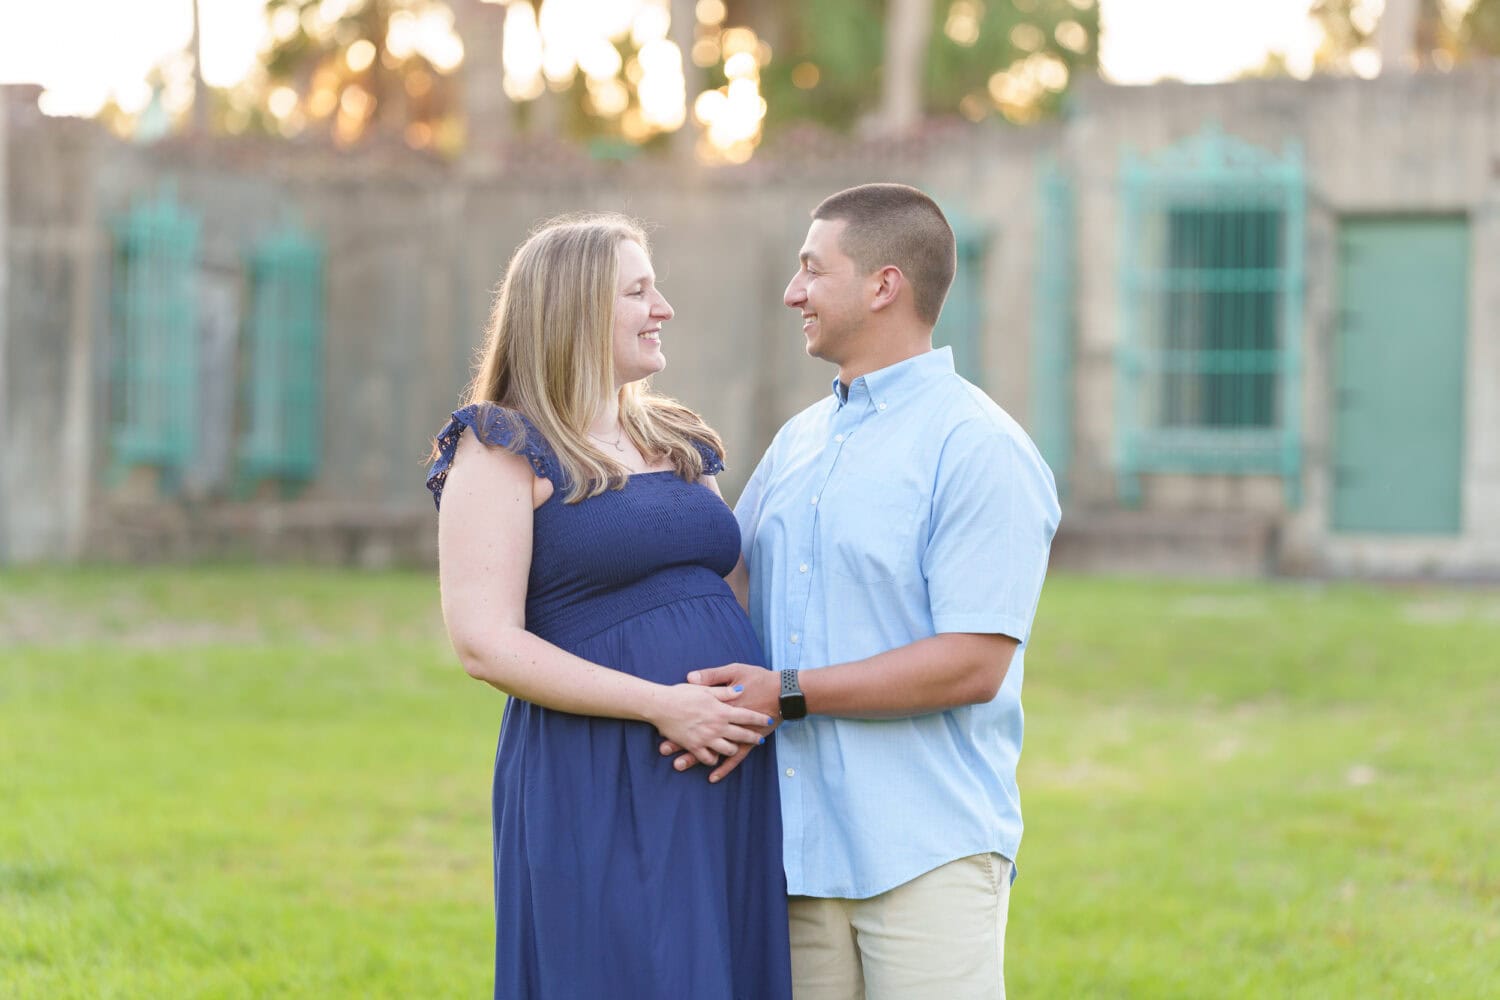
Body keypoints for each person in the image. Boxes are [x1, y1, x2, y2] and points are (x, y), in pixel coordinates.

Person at [663, 183, 1060, 998]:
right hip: (795, 855)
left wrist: (788, 694)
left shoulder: (979, 448)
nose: (792, 292)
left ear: (884, 285)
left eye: (813, 269)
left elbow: (972, 663)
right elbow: (720, 583)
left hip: (928, 854)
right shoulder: (798, 441)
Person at [426, 213, 792, 1000]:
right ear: (574, 308)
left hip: (723, 764)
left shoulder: (678, 437)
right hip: (602, 765)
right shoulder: (500, 446)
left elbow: (725, 586)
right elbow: (484, 643)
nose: (663, 309)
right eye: (638, 291)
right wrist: (665, 706)